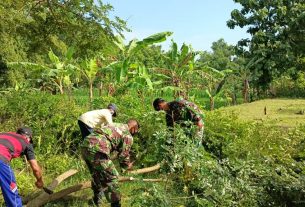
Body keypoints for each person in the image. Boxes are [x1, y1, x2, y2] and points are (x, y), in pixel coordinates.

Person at [81, 119, 140, 207]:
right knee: (112, 178)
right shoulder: (128, 135)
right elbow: (124, 155)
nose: (135, 133)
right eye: (136, 131)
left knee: (96, 174)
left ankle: (96, 201)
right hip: (98, 149)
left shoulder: (114, 124)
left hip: (85, 145)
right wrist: (127, 166)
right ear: (134, 128)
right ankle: (116, 204)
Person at [0, 127, 44, 207]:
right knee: (12, 195)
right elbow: (35, 168)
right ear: (28, 138)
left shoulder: (4, 134)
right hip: (1, 159)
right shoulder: (27, 142)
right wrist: (40, 181)